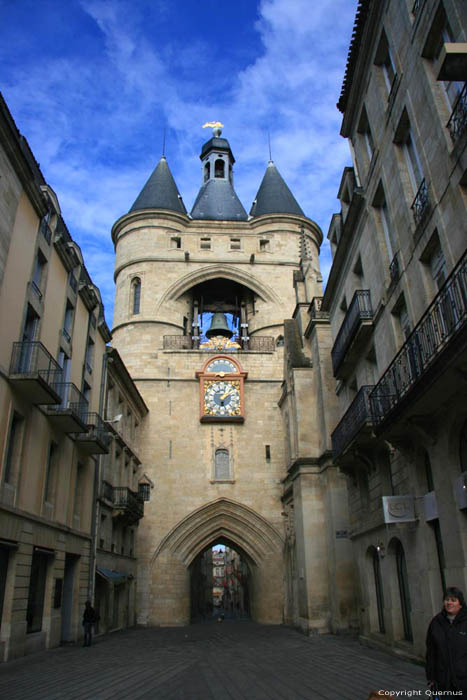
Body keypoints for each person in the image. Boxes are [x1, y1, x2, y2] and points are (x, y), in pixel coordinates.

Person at [426, 586, 467, 694]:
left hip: (464, 680)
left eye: (453, 600)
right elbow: (431, 652)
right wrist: (431, 677)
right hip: (444, 681)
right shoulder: (436, 623)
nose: (449, 603)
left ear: (460, 604)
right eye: (447, 600)